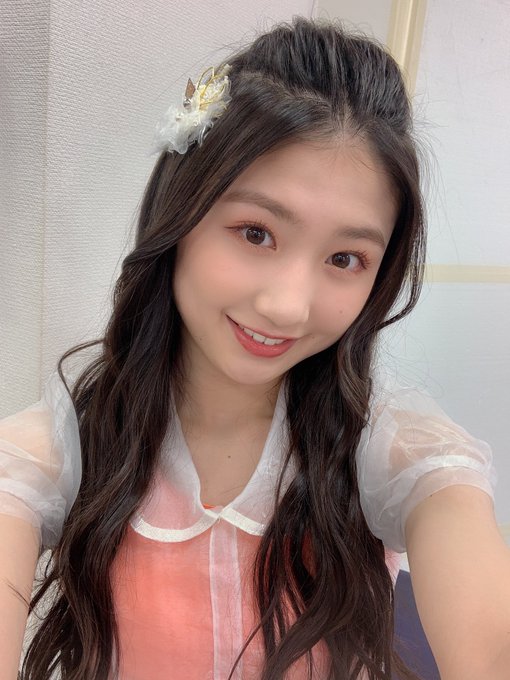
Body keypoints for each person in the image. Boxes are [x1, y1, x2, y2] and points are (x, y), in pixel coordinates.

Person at [0, 16, 509, 680]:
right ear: (180, 214)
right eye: (256, 233)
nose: (288, 306)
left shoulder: (389, 447)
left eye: (345, 258)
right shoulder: (69, 443)